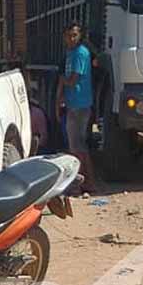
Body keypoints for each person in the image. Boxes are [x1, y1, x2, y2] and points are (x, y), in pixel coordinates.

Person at [56, 21, 98, 194]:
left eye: (75, 35)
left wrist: (60, 81)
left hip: (80, 105)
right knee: (76, 146)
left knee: (77, 146)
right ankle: (83, 183)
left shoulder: (80, 53)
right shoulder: (71, 53)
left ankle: (86, 183)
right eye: (69, 35)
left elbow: (72, 80)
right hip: (74, 103)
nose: (72, 38)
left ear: (79, 35)